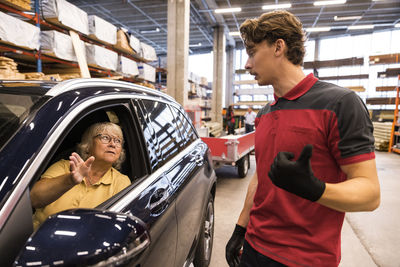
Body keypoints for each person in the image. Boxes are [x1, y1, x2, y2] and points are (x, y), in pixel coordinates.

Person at [225, 10, 380, 267]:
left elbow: (370, 193)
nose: (247, 64)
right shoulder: (265, 114)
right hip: (254, 248)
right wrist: (240, 229)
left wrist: (315, 188)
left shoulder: (340, 104)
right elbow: (260, 178)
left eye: (252, 52)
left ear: (278, 47)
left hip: (305, 259)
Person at [31, 122, 131, 229]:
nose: (113, 144)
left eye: (118, 141)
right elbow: (33, 199)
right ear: (88, 145)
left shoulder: (122, 182)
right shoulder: (64, 166)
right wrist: (70, 180)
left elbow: (114, 227)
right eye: (105, 138)